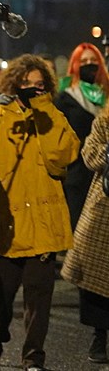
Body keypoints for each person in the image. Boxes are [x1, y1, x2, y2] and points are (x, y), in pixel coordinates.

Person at [0, 54, 79, 371]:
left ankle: (33, 357)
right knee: (3, 289)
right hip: (8, 220)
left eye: (39, 85)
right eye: (26, 83)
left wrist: (44, 110)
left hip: (45, 223)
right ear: (13, 82)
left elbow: (64, 155)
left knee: (39, 294)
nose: (32, 89)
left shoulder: (51, 116)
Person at [63, 104, 109, 364]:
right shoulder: (103, 122)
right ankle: (99, 335)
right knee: (95, 272)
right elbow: (89, 155)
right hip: (104, 207)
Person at [55, 42, 109, 229]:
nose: (89, 64)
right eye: (83, 61)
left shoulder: (106, 95)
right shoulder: (65, 98)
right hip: (78, 175)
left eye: (93, 60)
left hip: (104, 174)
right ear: (75, 66)